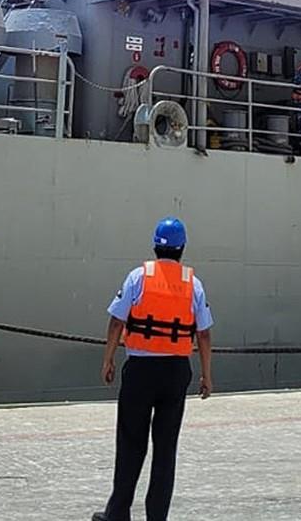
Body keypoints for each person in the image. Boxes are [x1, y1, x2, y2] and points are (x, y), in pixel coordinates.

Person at [93, 216, 213, 521]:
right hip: (175, 373)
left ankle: (117, 513)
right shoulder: (192, 284)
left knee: (130, 444)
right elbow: (204, 333)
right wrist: (206, 375)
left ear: (155, 246)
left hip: (141, 371)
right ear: (182, 248)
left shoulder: (138, 277)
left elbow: (117, 320)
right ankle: (157, 517)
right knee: (165, 449)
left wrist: (108, 359)